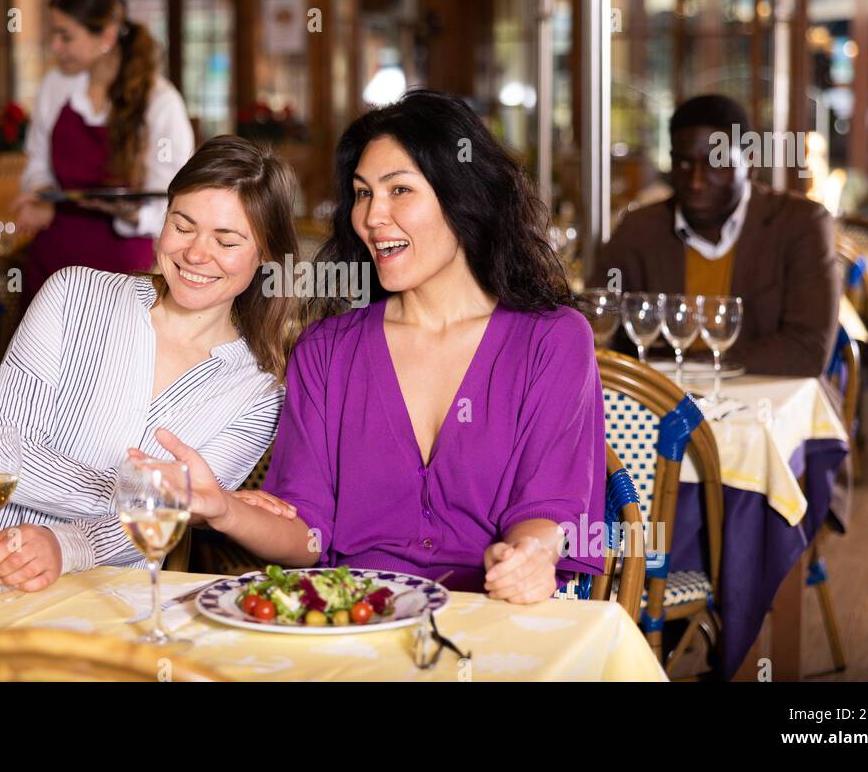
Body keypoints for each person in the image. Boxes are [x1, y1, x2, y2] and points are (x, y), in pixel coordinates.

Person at [132, 90, 606, 601]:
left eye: (399, 190)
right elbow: (306, 530)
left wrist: (529, 556)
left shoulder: (552, 339)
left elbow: (551, 507)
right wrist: (224, 509)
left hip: (496, 616)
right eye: (361, 194)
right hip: (355, 624)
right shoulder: (327, 350)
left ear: (463, 194)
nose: (372, 217)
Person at [0, 136, 299, 593]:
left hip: (111, 596)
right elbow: (5, 460)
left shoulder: (258, 392)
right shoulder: (71, 294)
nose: (196, 254)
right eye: (183, 225)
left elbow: (148, 532)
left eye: (226, 240)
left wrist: (64, 545)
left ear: (266, 254)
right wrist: (154, 496)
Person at [591, 93, 840, 377]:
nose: (696, 182)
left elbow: (807, 351)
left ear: (750, 162)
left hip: (773, 408)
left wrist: (694, 366)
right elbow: (597, 323)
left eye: (715, 163)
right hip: (663, 410)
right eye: (684, 164)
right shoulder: (638, 229)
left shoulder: (800, 224)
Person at [11, 0, 195, 306]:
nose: (55, 46)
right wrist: (42, 196)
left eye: (65, 36)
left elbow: (178, 203)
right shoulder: (55, 86)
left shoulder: (160, 101)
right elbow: (37, 162)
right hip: (53, 261)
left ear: (107, 36)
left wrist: (130, 213)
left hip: (124, 265)